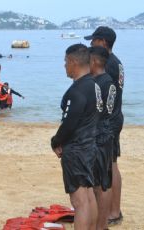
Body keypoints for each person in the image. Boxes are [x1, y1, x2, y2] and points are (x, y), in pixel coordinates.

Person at [51, 44, 101, 230]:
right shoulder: (94, 85)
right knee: (88, 196)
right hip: (89, 146)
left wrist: (56, 141)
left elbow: (70, 122)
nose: (64, 66)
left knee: (79, 201)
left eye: (65, 62)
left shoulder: (78, 90)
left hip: (77, 149)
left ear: (73, 62)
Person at [85, 26, 125, 226]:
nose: (90, 45)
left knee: (107, 170)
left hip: (108, 121)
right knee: (112, 165)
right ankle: (113, 210)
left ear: (102, 42)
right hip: (115, 117)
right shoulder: (116, 61)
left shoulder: (106, 65)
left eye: (93, 41)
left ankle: (112, 212)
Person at [89, 46, 117, 230]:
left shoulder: (99, 83)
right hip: (106, 132)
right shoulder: (108, 81)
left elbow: (96, 111)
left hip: (99, 134)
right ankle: (102, 224)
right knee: (103, 182)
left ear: (94, 61)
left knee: (100, 184)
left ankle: (101, 224)